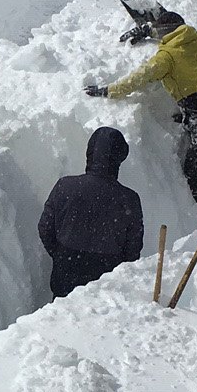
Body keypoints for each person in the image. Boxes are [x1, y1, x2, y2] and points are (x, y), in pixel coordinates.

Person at [84, 6, 197, 204]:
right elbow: (172, 32)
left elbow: (139, 77)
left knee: (193, 169)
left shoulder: (166, 57)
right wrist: (149, 31)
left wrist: (109, 90)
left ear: (164, 33)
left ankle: (196, 205)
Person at [38, 126, 144, 298]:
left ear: (89, 153)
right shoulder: (129, 199)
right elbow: (133, 250)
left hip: (65, 279)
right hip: (106, 290)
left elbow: (45, 228)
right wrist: (110, 266)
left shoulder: (65, 187)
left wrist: (61, 255)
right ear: (120, 158)